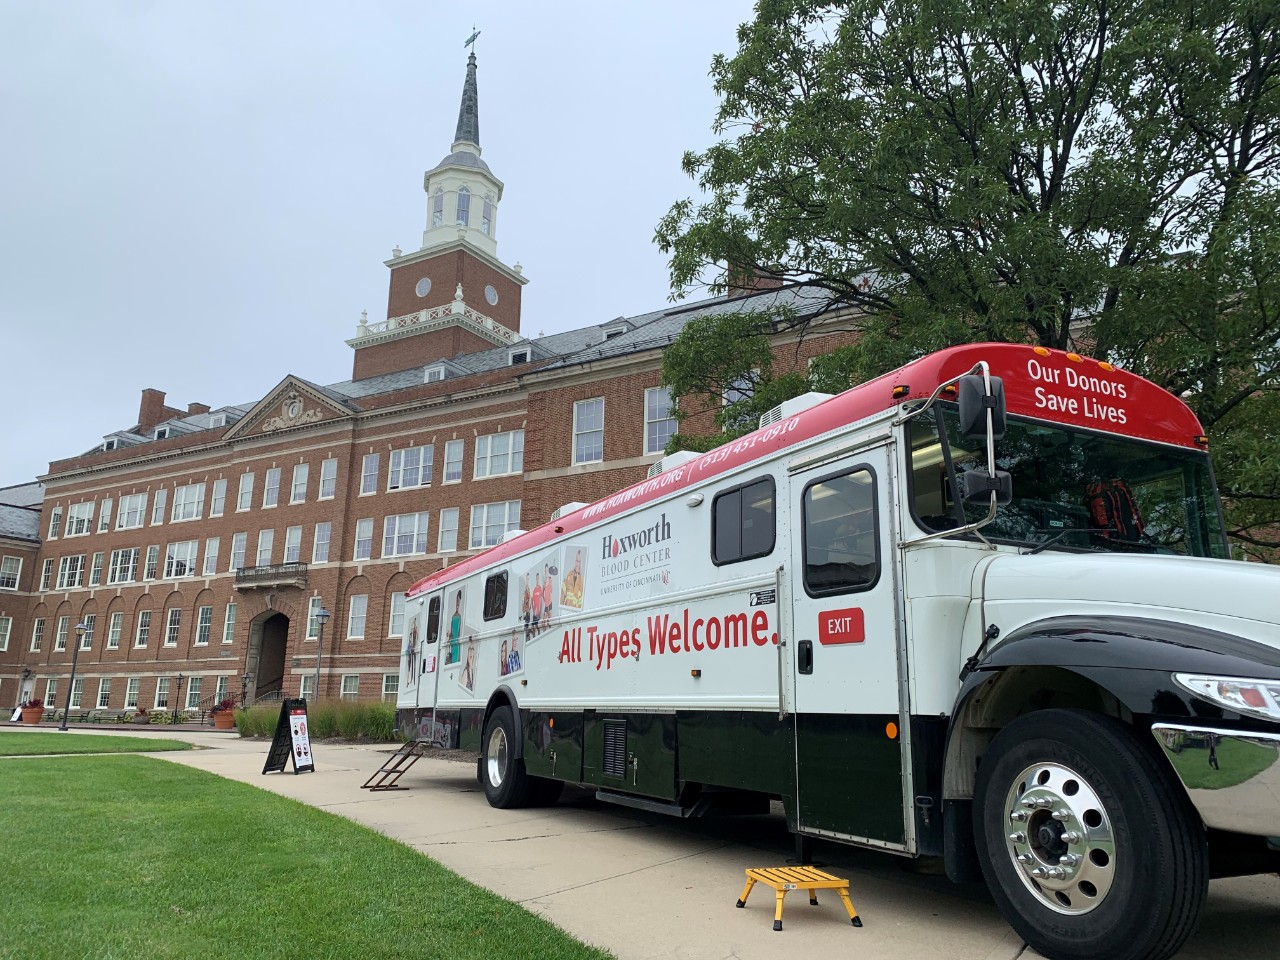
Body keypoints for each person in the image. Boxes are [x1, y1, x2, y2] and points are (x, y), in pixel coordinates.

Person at [447, 591, 462, 665]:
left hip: (456, 640)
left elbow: (460, 630)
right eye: (457, 601)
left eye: (458, 601)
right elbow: (451, 629)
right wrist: (449, 635)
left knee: (456, 658)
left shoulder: (460, 616)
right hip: (452, 641)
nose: (457, 604)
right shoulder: (453, 616)